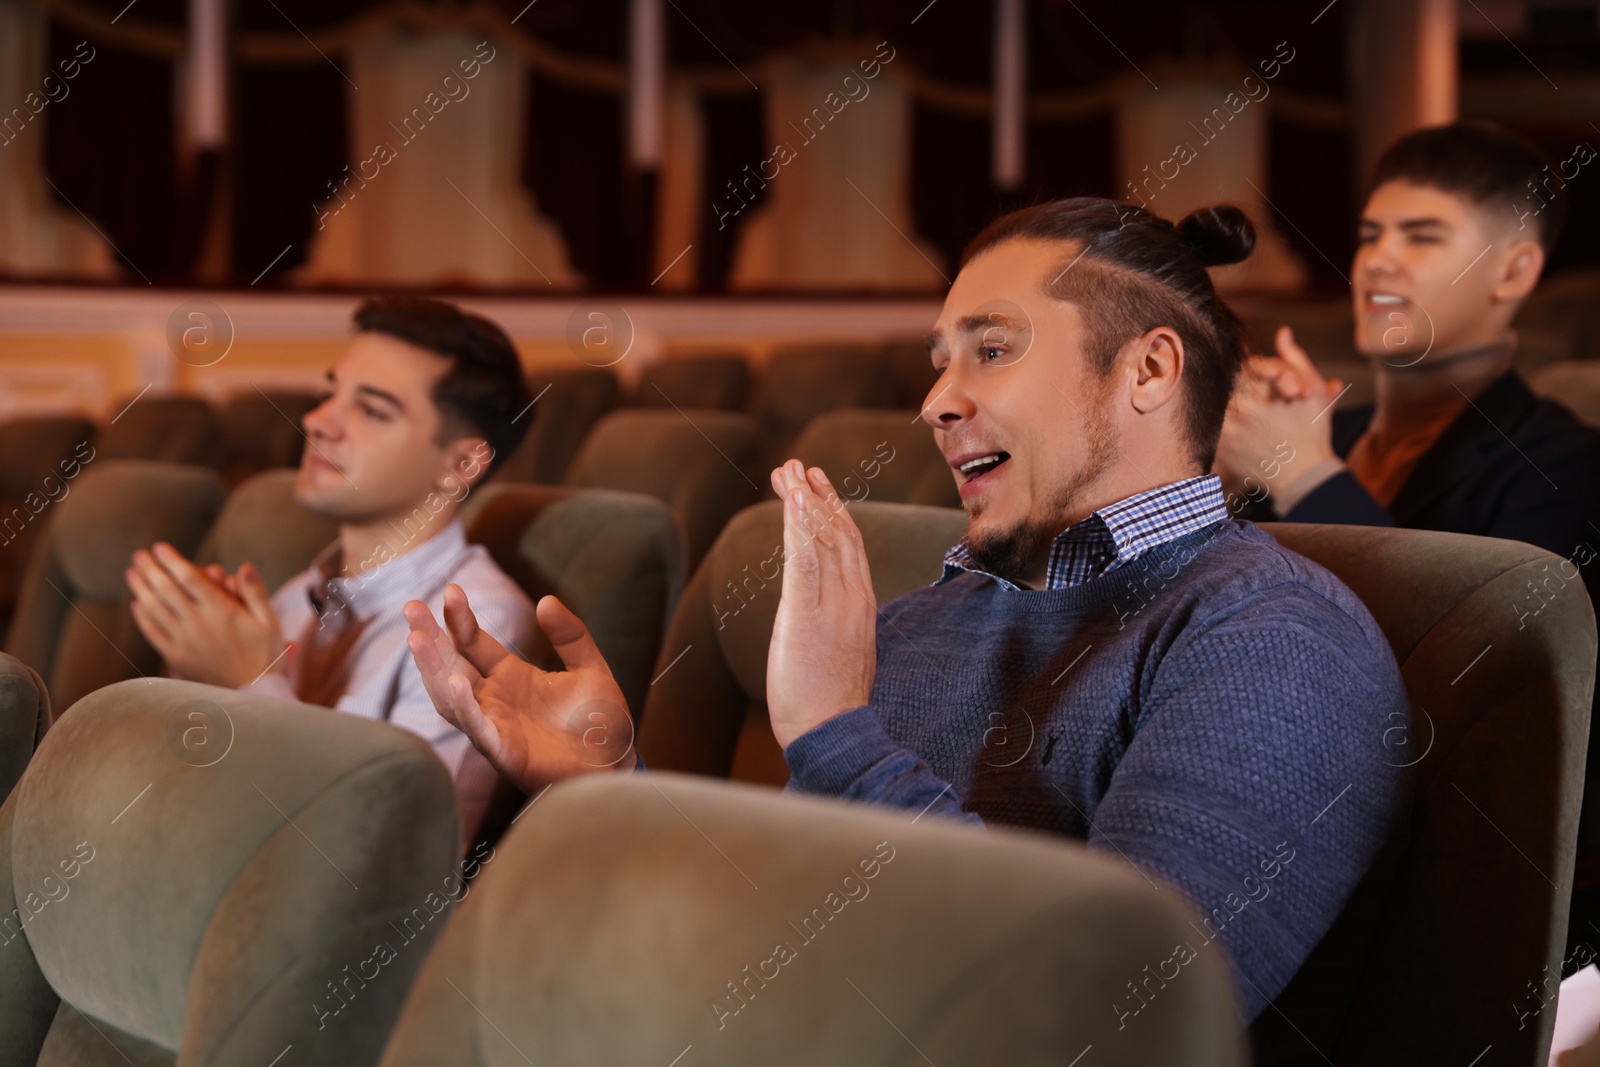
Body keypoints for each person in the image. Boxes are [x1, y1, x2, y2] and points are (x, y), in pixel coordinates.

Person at [400, 198, 1409, 1051]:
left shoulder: (1275, 640)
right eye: (939, 361)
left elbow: (1102, 1021)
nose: (935, 400)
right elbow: (795, 921)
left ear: (1148, 372)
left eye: (992, 349)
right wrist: (616, 792)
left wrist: (836, 731)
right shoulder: (929, 615)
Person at [1215, 121, 1600, 842]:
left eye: (1422, 238)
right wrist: (1222, 473)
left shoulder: (1568, 463)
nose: (1378, 263)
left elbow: (1482, 688)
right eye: (1369, 235)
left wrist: (1306, 472)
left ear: (1513, 271)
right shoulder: (1334, 430)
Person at [124, 296, 537, 838]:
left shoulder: (477, 623)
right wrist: (200, 675)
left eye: (371, 410)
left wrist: (251, 683)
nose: (317, 421)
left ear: (459, 463)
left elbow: (399, 852)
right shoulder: (300, 595)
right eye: (329, 393)